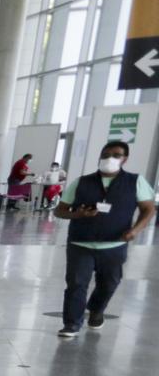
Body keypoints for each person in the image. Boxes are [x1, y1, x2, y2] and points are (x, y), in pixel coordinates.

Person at [53, 140, 155, 340]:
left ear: (125, 159)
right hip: (80, 243)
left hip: (114, 244)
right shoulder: (82, 182)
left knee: (109, 283)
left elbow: (148, 209)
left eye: (116, 155)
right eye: (106, 154)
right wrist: (77, 215)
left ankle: (96, 310)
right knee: (76, 284)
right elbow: (60, 210)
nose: (110, 158)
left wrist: (135, 230)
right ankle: (71, 324)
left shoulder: (135, 181)